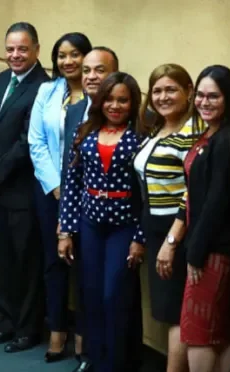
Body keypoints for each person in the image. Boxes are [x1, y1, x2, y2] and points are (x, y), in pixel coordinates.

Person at [29, 45, 117, 369]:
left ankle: (85, 337)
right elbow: (38, 143)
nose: (85, 71)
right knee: (55, 263)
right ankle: (57, 330)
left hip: (102, 210)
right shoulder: (69, 105)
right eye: (62, 55)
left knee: (86, 272)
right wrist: (57, 189)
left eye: (96, 68)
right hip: (54, 192)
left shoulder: (115, 108)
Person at [58, 72, 147, 372]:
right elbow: (72, 182)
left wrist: (140, 236)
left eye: (123, 99)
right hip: (90, 224)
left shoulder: (142, 137)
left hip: (125, 226)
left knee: (114, 294)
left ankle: (116, 362)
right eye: (109, 98)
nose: (115, 105)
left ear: (133, 102)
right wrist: (66, 230)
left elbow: (148, 194)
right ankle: (92, 358)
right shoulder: (85, 131)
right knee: (91, 293)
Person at [0, 22, 50, 353]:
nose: (15, 55)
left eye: (22, 49)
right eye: (10, 49)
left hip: (23, 189)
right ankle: (5, 322)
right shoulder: (1, 79)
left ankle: (28, 328)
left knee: (26, 263)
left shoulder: (43, 87)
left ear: (36, 49)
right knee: (2, 259)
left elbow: (28, 141)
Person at [177, 65, 230, 372]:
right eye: (201, 96)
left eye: (214, 97)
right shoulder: (213, 132)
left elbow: (217, 201)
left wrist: (195, 252)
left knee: (199, 332)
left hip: (214, 251)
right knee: (219, 328)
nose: (205, 103)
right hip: (211, 246)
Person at [134, 64, 199, 372]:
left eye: (171, 89)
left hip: (177, 231)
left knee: (176, 312)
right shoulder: (156, 128)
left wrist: (172, 241)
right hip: (155, 227)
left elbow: (193, 191)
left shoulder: (192, 133)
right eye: (157, 90)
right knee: (166, 309)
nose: (163, 97)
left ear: (189, 91)